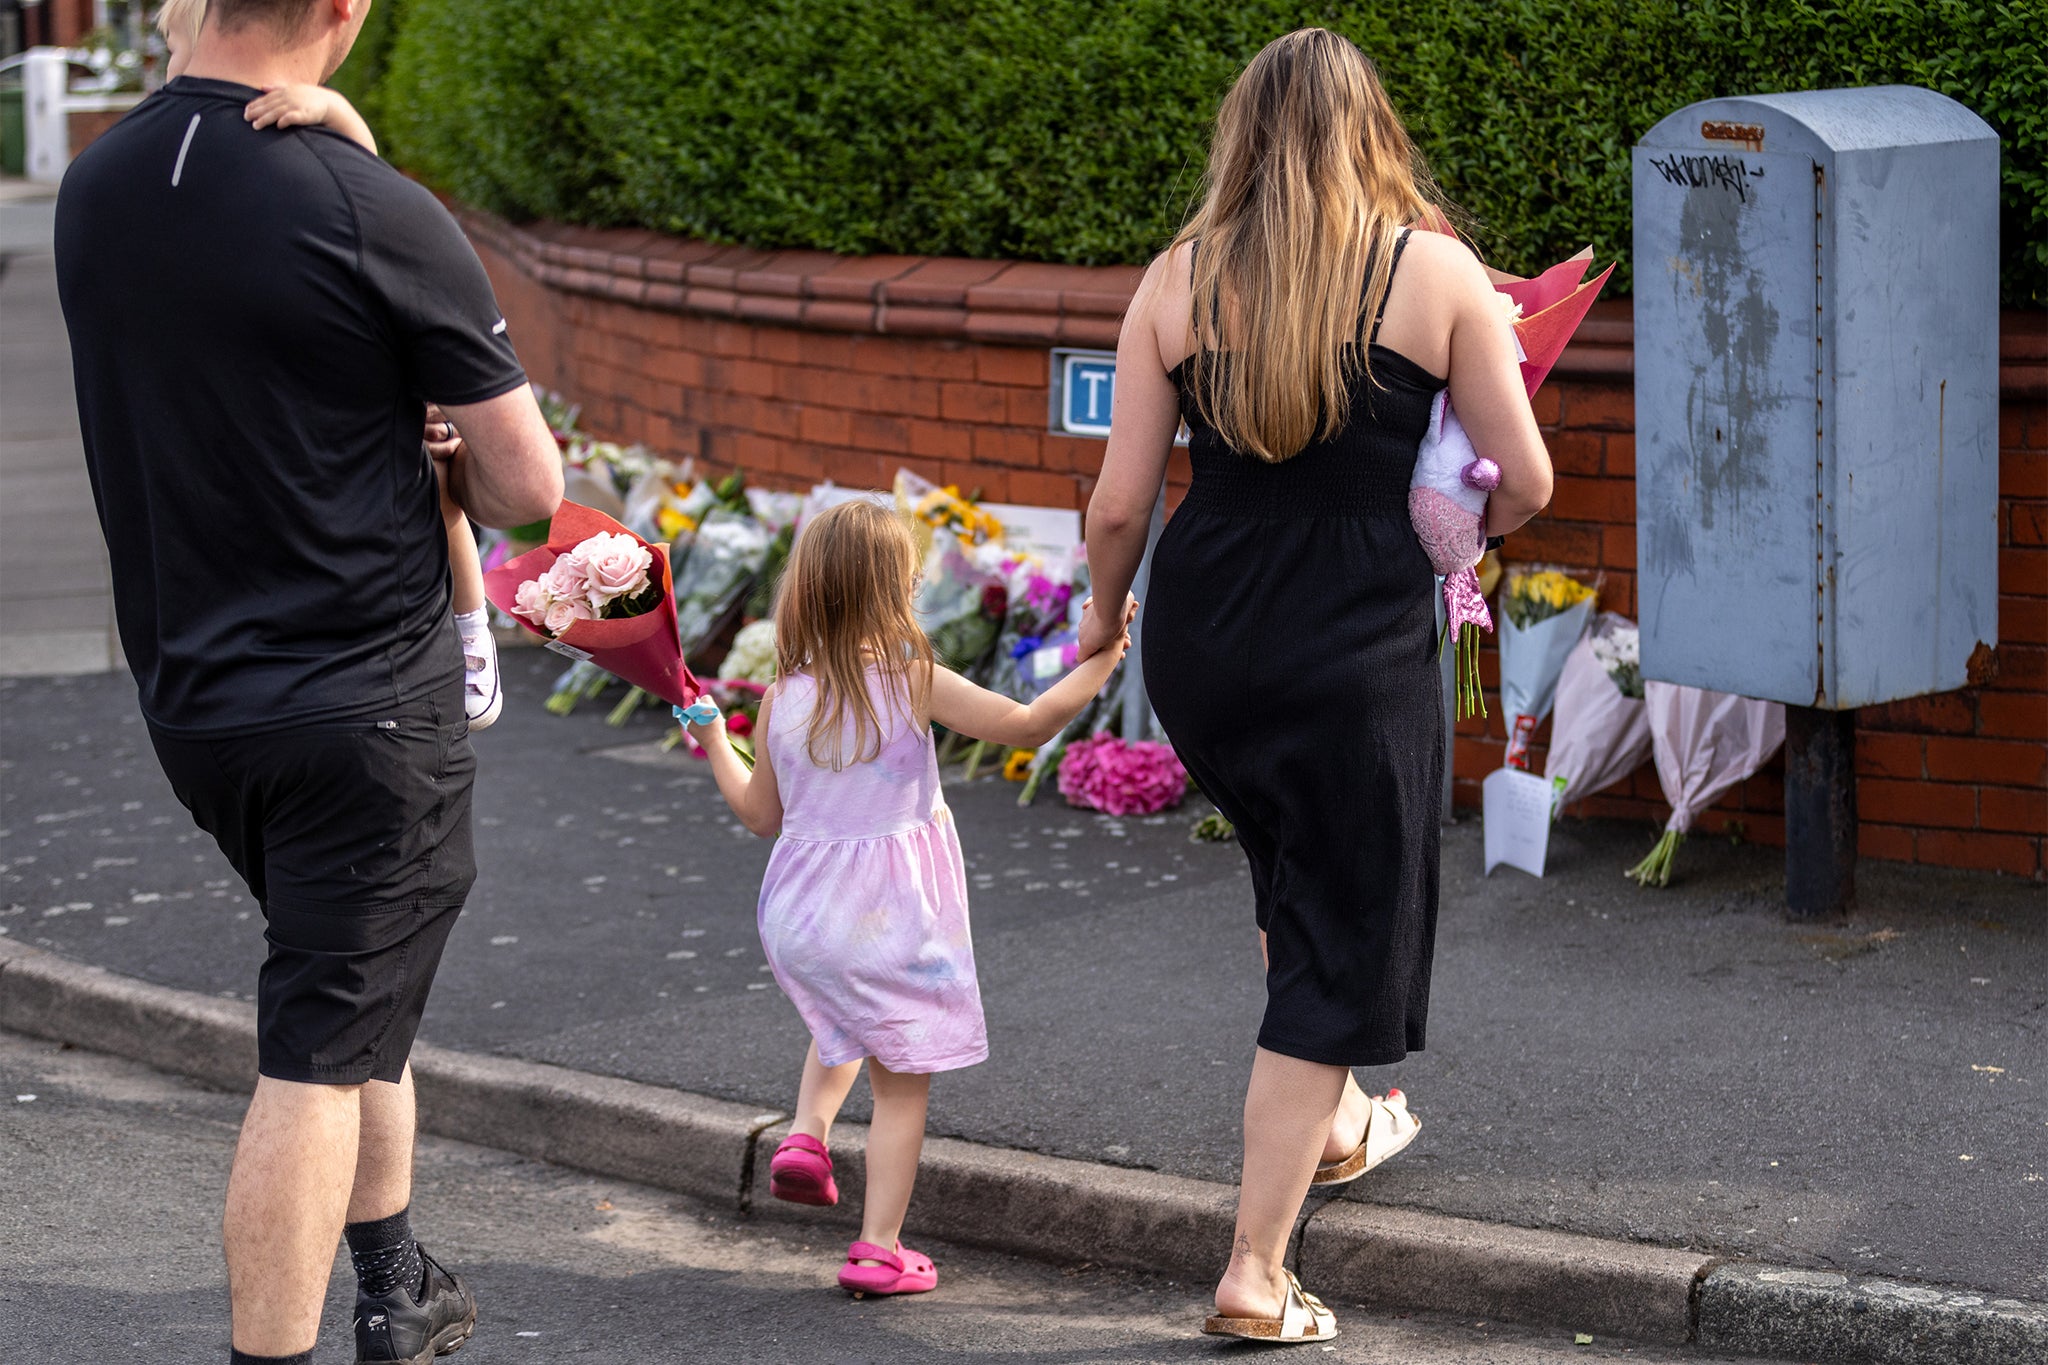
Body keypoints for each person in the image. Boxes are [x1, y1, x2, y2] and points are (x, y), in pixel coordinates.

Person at [54, 0, 564, 1360]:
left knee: (352, 987)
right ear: (343, 12)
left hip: (195, 699)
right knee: (316, 1056)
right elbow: (524, 486)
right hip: (361, 703)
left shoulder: (95, 185)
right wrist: (378, 180)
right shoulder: (366, 204)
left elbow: (247, 332)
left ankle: (398, 1279)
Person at [1076, 28, 1553, 1344]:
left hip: (1207, 642)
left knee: (1302, 874)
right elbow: (1527, 478)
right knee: (1340, 936)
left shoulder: (1175, 280)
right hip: (1350, 645)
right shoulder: (1435, 274)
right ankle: (1254, 1270)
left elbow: (1121, 505)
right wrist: (1458, 531)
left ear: (1241, 137)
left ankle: (1345, 1122)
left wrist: (1106, 623)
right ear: (1372, 131)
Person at [685, 500, 1132, 1297]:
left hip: (800, 917)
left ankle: (807, 1133)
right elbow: (1026, 723)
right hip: (889, 916)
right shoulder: (911, 677)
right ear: (893, 590)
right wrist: (1102, 662)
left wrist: (717, 734)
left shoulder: (787, 696)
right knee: (900, 1078)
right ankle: (878, 1247)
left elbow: (760, 816)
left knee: (843, 1019)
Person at [157, 0, 506, 729]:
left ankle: (472, 630)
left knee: (437, 472)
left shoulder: (291, 148)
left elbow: (373, 209)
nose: (171, 68)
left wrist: (336, 110)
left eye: (174, 47)